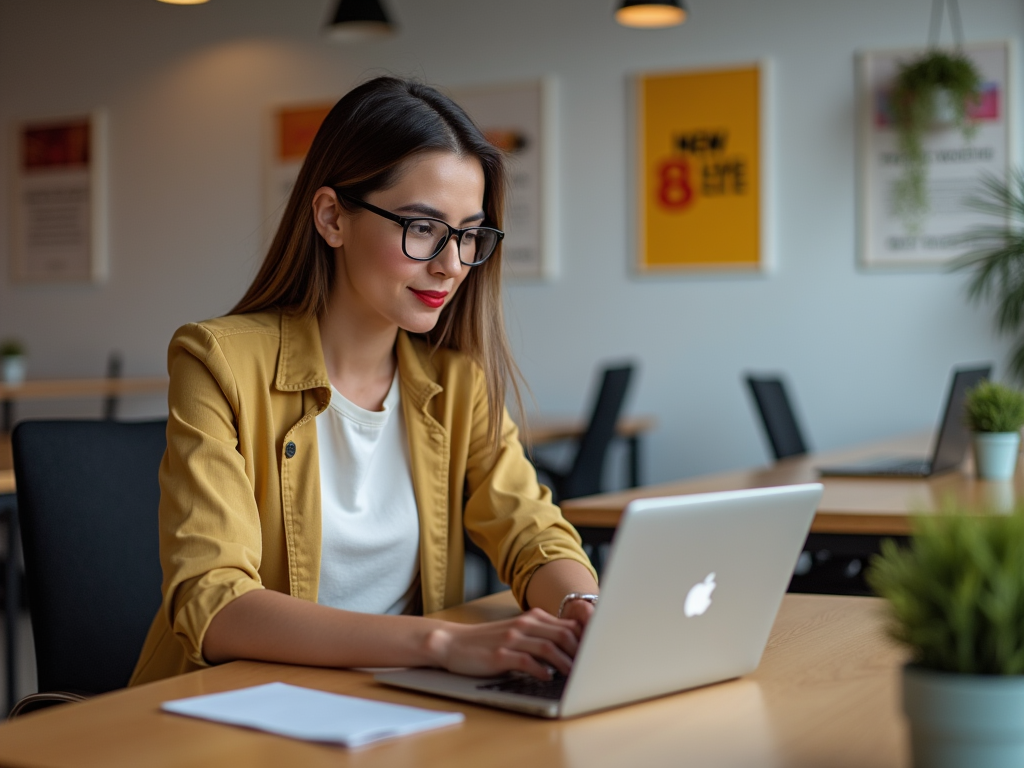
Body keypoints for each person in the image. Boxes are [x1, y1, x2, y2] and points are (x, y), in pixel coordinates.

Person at [130, 77, 599, 687]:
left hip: (392, 707)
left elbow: (532, 533)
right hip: (236, 710)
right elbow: (215, 603)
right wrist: (440, 643)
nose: (452, 264)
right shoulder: (218, 361)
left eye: (468, 233)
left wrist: (579, 610)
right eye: (423, 227)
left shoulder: (456, 381)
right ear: (331, 218)